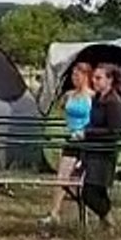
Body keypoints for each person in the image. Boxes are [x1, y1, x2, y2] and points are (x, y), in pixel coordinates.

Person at [41, 62, 95, 228]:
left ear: (86, 77)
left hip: (86, 140)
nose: (74, 78)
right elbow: (61, 110)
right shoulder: (68, 95)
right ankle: (54, 212)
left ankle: (85, 213)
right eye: (73, 75)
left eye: (78, 75)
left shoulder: (93, 96)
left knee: (82, 179)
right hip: (71, 139)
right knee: (61, 176)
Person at [74, 63, 121, 230]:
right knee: (97, 191)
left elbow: (113, 130)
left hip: (104, 153)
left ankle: (110, 221)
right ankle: (108, 227)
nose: (94, 81)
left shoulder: (114, 102)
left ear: (109, 80)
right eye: (94, 78)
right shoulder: (97, 99)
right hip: (92, 150)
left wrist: (88, 133)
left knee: (89, 193)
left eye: (98, 78)